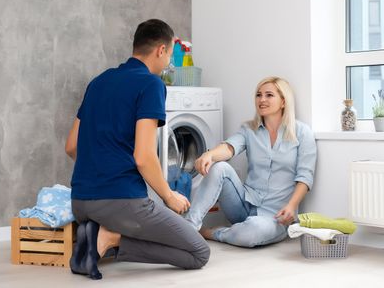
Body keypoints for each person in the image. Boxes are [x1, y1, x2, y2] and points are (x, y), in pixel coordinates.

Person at [65, 19, 210, 280]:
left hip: (81, 201)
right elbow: (143, 157)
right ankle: (111, 236)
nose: (168, 65)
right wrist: (169, 196)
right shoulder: (151, 84)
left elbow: (72, 145)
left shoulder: (99, 82)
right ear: (161, 50)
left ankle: (97, 238)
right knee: (199, 252)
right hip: (120, 202)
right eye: (169, 58)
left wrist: (100, 171)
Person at [185, 76, 316, 248]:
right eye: (258, 95)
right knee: (220, 167)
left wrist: (292, 206)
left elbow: (305, 176)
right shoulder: (249, 129)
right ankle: (188, 229)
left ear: (283, 101)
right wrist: (209, 155)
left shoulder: (302, 132)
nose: (262, 100)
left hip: (275, 215)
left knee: (253, 231)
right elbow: (230, 147)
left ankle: (215, 233)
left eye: (269, 95)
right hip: (244, 204)